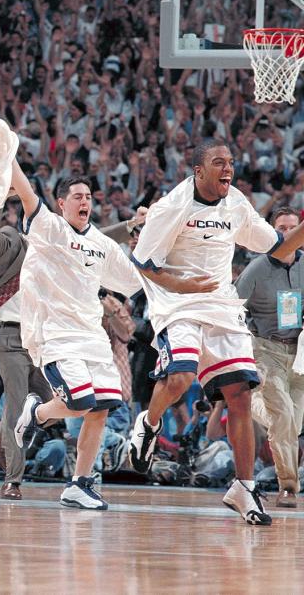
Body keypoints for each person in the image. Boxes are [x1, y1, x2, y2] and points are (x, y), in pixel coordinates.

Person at [127, 140, 304, 525]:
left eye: (231, 163)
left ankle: (244, 487)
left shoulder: (236, 203)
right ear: (198, 170)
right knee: (181, 378)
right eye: (219, 162)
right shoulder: (173, 207)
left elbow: (279, 247)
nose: (228, 169)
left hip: (222, 307)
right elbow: (144, 263)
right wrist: (184, 287)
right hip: (177, 305)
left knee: (239, 393)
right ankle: (148, 423)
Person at [0, 203, 145, 500]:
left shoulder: (61, 246)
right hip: (14, 335)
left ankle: (11, 429)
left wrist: (130, 223)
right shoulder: (14, 242)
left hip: (51, 336)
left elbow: (99, 236)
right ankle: (12, 480)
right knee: (15, 404)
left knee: (71, 404)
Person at [10, 163, 143, 511]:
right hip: (55, 333)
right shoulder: (49, 228)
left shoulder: (102, 243)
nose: (85, 201)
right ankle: (38, 414)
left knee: (100, 408)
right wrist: (6, 152)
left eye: (88, 196)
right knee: (80, 401)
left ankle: (79, 485)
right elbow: (26, 193)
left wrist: (149, 238)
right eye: (77, 196)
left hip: (93, 337)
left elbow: (134, 281)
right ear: (61, 203)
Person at [236, 208, 304, 508]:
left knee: (292, 424)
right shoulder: (256, 269)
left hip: (300, 352)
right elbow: (232, 308)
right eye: (282, 228)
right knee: (285, 418)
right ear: (271, 233)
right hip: (266, 349)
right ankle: (288, 486)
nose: (289, 233)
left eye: (293, 228)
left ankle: (253, 404)